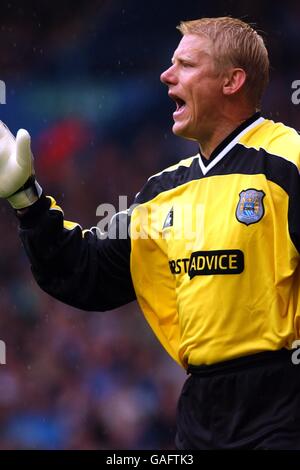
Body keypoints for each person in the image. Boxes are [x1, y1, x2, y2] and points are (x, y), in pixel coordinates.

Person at [0, 16, 300, 450]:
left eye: (186, 64)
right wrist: (26, 200)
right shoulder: (161, 192)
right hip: (200, 415)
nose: (166, 74)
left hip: (283, 408)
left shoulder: (288, 163)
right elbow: (85, 273)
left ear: (232, 81)